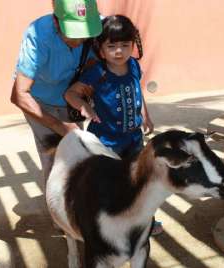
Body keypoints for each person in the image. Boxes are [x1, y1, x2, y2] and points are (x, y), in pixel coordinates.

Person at [65, 15, 163, 235]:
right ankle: (109, 224)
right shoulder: (97, 73)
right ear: (101, 48)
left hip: (134, 138)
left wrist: (145, 115)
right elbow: (70, 93)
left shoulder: (134, 66)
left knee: (140, 179)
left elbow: (138, 91)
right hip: (106, 141)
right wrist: (84, 107)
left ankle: (145, 221)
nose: (119, 51)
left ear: (132, 45)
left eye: (124, 45)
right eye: (112, 46)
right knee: (109, 183)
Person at [10, 0, 102, 180]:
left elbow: (104, 59)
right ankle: (54, 205)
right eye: (72, 34)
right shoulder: (38, 35)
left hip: (72, 102)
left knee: (78, 156)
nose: (79, 40)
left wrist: (85, 84)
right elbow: (19, 95)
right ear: (55, 21)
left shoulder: (98, 25)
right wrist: (59, 126)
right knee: (52, 159)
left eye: (84, 34)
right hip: (39, 103)